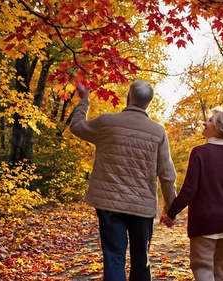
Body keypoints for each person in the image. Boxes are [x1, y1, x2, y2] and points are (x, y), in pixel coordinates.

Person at [70, 80, 177, 281]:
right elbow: (167, 175)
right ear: (149, 103)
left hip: (109, 204)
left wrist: (85, 100)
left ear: (129, 97)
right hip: (141, 207)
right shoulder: (158, 131)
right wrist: (170, 208)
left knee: (113, 257)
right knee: (141, 260)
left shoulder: (106, 123)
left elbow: (76, 126)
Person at [161, 106, 223, 281]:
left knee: (202, 266)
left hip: (205, 221)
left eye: (209, 121)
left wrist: (171, 213)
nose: (204, 122)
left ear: (218, 127)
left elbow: (189, 190)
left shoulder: (199, 152)